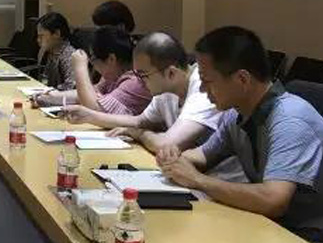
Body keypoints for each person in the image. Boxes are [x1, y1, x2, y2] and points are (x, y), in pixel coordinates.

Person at [157, 26, 323, 243]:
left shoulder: (291, 120)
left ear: (242, 79)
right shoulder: (236, 114)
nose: (201, 89)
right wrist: (175, 158)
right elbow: (201, 156)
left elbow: (273, 200)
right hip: (276, 230)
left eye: (207, 81)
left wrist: (197, 180)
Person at [62, 32, 221, 152]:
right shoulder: (166, 90)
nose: (138, 81)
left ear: (171, 73)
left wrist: (139, 134)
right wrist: (88, 116)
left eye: (143, 75)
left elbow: (166, 144)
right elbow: (139, 121)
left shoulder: (203, 89)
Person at [34, 26, 152, 116]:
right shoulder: (114, 74)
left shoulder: (135, 81)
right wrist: (50, 97)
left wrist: (80, 68)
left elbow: (95, 108)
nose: (94, 67)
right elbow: (89, 94)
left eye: (93, 60)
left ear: (111, 59)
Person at [36, 12, 76, 90]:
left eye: (41, 36)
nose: (38, 40)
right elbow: (45, 79)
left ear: (57, 33)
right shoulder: (49, 52)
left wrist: (52, 91)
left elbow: (73, 86)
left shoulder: (70, 55)